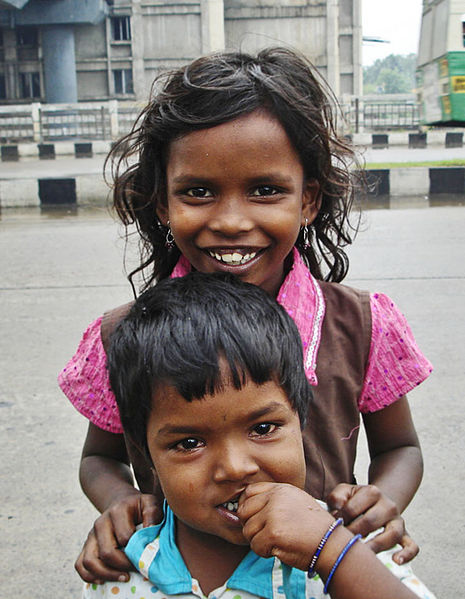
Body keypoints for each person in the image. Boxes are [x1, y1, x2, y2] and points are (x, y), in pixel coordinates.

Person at [58, 47, 433, 584]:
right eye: (199, 192)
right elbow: (99, 458)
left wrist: (382, 500)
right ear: (163, 203)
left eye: (265, 190)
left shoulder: (361, 325)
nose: (232, 221)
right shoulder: (124, 337)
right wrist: (120, 502)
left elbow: (401, 447)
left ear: (308, 200)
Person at [82, 272, 435, 599]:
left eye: (263, 428)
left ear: (302, 421)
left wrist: (334, 554)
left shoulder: (350, 549)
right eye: (189, 443)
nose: (236, 468)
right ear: (146, 454)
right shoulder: (123, 572)